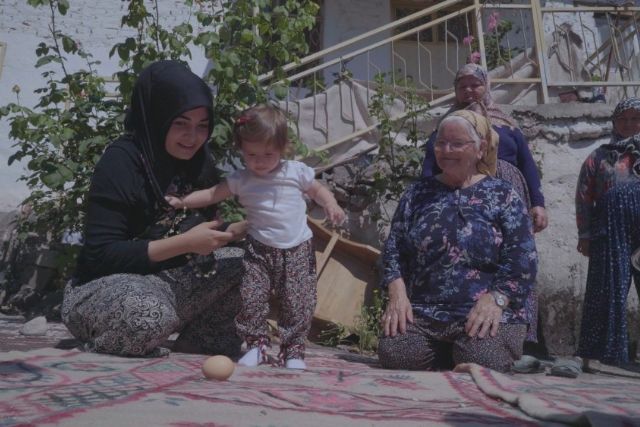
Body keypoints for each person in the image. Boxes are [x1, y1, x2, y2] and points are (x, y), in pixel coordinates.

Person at [61, 60, 248, 358]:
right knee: (148, 315)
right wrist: (186, 244)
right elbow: (100, 255)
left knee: (255, 264)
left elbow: (190, 230)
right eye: (181, 123)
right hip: (106, 286)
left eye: (202, 126)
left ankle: (202, 341)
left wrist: (237, 231)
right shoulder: (121, 161)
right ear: (158, 117)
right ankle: (125, 336)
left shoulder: (197, 162)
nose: (192, 137)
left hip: (168, 283)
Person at [167, 104, 346, 370]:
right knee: (251, 297)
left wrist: (331, 204)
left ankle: (293, 350)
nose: (259, 161)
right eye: (251, 154)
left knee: (298, 301)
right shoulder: (242, 179)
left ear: (283, 148)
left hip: (297, 248)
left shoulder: (295, 171)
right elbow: (212, 194)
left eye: (268, 154)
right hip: (259, 248)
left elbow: (318, 190)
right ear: (241, 149)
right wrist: (182, 201)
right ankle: (256, 345)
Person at [378, 110, 537, 373]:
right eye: (440, 143)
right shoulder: (417, 193)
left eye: (457, 143)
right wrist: (396, 292)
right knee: (396, 353)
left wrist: (497, 298)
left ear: (481, 148)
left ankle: (462, 352)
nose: (446, 150)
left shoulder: (503, 195)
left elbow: (523, 259)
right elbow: (394, 248)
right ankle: (449, 354)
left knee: (481, 358)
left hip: (486, 310)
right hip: (425, 312)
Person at [422, 63, 545, 345]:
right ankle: (459, 330)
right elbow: (430, 166)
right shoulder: (447, 127)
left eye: (475, 84)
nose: (469, 90)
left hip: (509, 197)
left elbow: (528, 165)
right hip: (458, 199)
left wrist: (538, 203)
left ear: (486, 86)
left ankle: (520, 335)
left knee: (515, 258)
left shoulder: (507, 125)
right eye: (462, 85)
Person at [575, 97, 640, 367]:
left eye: (635, 118)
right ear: (614, 122)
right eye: (622, 119)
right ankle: (600, 354)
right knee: (606, 290)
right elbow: (583, 197)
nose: (629, 124)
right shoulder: (599, 156)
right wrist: (585, 234)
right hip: (609, 232)